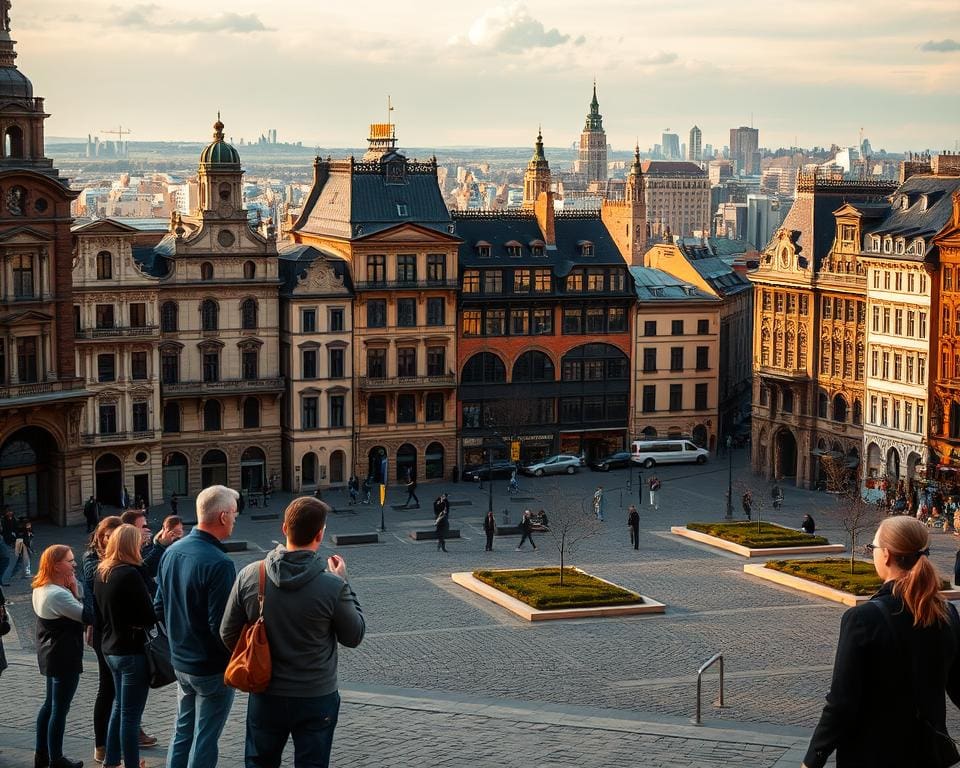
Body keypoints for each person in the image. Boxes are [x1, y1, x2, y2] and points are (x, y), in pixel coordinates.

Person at [803, 516, 960, 768]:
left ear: (886, 555)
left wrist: (812, 761)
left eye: (872, 547)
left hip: (871, 757)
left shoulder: (862, 619)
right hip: (929, 756)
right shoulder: (946, 613)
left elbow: (841, 703)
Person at [221, 497, 365, 768]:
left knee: (259, 763)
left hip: (266, 692)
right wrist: (345, 581)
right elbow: (354, 636)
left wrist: (260, 658)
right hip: (315, 694)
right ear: (320, 534)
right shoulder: (332, 586)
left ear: (284, 528)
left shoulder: (250, 575)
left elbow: (228, 633)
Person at [154, 486, 238, 768]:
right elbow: (221, 627)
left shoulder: (171, 551)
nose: (235, 519)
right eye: (234, 514)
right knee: (205, 738)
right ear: (223, 516)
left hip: (180, 662)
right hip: (210, 667)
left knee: (182, 731)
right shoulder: (220, 563)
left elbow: (158, 606)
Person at [95, 524, 157, 768]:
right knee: (131, 715)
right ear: (131, 545)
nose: (142, 545)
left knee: (119, 708)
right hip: (131, 650)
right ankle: (131, 763)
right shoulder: (129, 574)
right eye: (139, 542)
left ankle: (111, 761)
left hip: (110, 647)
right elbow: (148, 616)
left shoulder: (103, 570)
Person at [32, 544, 85, 768]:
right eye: (70, 561)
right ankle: (57, 758)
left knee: (49, 705)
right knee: (59, 709)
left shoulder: (41, 587)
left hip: (50, 653)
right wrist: (75, 591)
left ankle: (42, 754)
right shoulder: (58, 594)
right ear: (55, 566)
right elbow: (87, 615)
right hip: (63, 656)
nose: (74, 564)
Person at [82, 516, 123, 766]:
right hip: (103, 631)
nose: (111, 541)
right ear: (100, 536)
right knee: (107, 688)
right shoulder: (91, 559)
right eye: (108, 536)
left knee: (119, 690)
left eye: (116, 537)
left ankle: (116, 741)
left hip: (116, 630)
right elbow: (93, 583)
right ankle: (101, 745)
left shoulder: (120, 558)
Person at [0, 506, 15, 585]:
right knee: (6, 559)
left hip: (6, 540)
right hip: (4, 541)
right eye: (8, 511)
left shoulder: (11, 519)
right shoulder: (4, 520)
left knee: (6, 559)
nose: (10, 512)